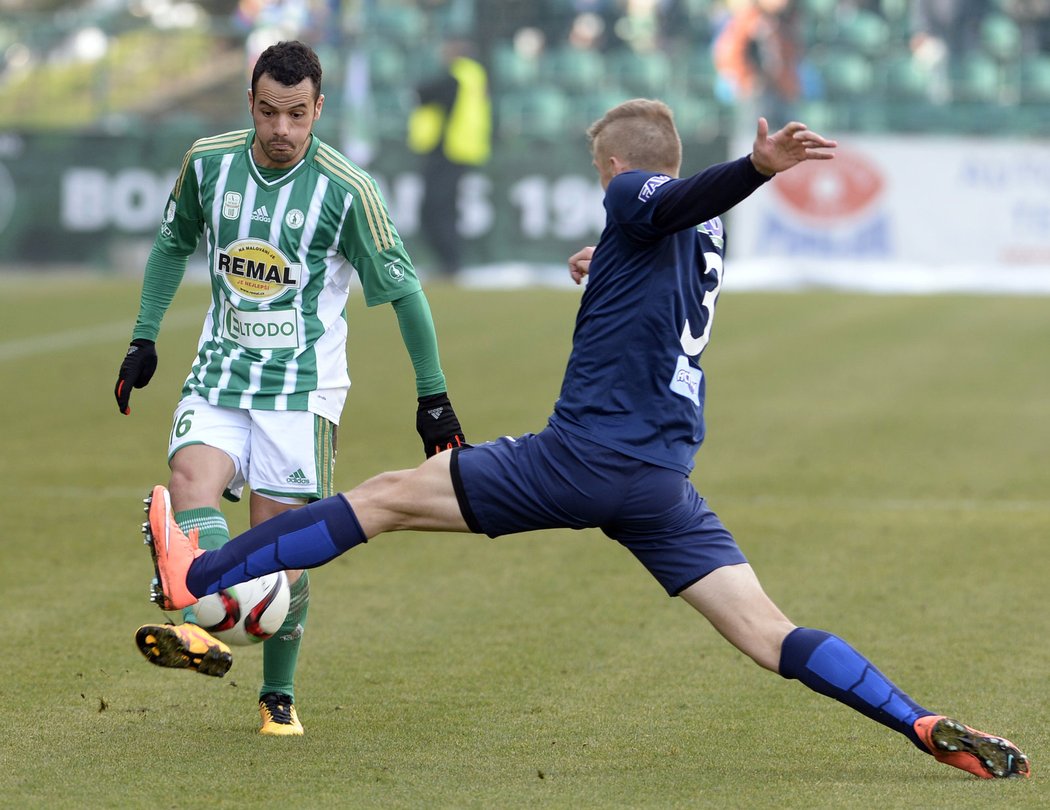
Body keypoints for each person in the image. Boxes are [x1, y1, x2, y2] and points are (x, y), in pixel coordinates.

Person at [138, 99, 1029, 780]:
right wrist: (600, 260)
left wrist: (755, 165)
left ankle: (201, 575)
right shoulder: (702, 235)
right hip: (660, 481)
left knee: (379, 498)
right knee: (770, 634)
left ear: (615, 166)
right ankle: (916, 722)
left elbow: (669, 198)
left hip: (578, 461)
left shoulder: (644, 191)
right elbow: (665, 243)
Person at [116, 40, 467, 736]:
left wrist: (434, 397)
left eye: (297, 115)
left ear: (318, 110)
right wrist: (144, 338)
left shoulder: (348, 192)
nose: (282, 130)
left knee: (281, 556)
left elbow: (404, 294)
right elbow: (170, 243)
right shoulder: (209, 163)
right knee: (190, 479)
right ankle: (205, 622)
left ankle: (276, 693)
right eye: (270, 113)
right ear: (250, 102)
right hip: (220, 371)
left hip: (301, 391)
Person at [407, 39, 492, 279]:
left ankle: (450, 262)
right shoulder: (475, 77)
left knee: (437, 208)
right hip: (461, 150)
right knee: (446, 207)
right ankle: (450, 262)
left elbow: (422, 93)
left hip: (449, 150)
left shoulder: (457, 78)